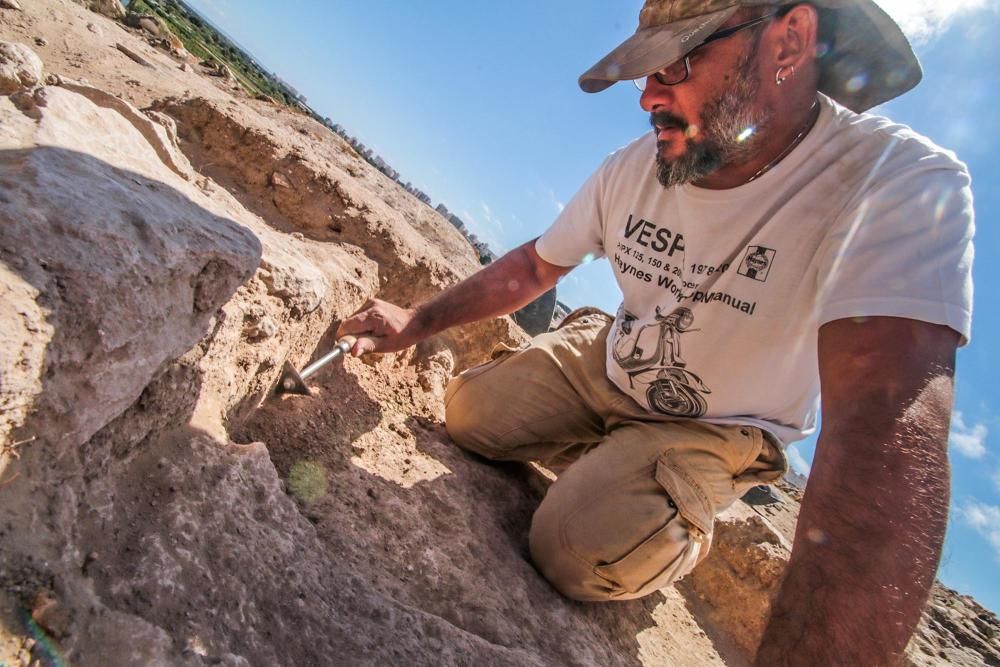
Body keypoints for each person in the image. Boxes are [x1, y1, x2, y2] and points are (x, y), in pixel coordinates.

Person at [338, 1, 975, 664]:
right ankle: (611, 433)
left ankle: (667, 500)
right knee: (468, 415)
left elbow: (886, 429)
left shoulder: (893, 184)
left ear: (790, 41)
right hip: (612, 360)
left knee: (575, 549)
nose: (647, 96)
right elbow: (535, 264)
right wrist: (417, 323)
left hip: (716, 425)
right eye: (645, 71)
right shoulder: (633, 167)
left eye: (676, 63)